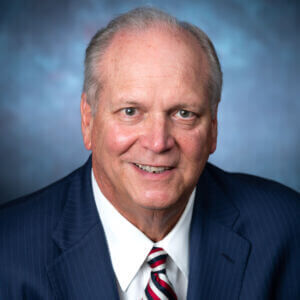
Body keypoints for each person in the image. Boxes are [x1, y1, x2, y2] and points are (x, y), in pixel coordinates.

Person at [0, 7, 299, 300]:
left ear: (213, 128)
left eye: (184, 113)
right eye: (130, 112)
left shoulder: (286, 230)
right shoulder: (9, 251)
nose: (158, 143)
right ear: (88, 120)